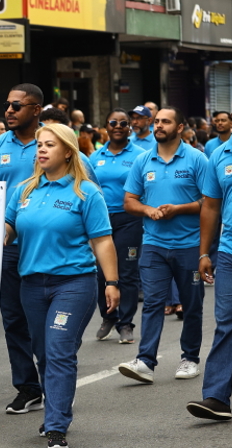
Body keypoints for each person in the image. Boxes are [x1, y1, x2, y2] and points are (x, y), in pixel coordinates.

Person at [4, 123, 119, 448]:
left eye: (49, 145)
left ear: (68, 151)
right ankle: (54, 411)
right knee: (43, 353)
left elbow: (102, 240)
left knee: (58, 350)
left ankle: (56, 426)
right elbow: (8, 227)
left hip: (74, 283)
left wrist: (111, 283)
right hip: (31, 284)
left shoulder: (86, 192)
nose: (41, 150)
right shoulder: (24, 191)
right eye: (39, 144)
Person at [118, 106, 208, 384]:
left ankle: (190, 358)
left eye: (165, 122)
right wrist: (147, 210)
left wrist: (178, 209)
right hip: (154, 244)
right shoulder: (143, 160)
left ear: (179, 127)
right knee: (154, 303)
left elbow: (210, 203)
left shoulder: (197, 159)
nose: (158, 126)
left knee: (191, 304)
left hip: (189, 245)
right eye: (156, 122)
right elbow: (129, 201)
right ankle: (145, 361)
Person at [0, 83, 47, 415]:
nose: (9, 110)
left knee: (45, 321)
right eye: (7, 105)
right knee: (14, 320)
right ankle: (28, 388)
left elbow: (85, 188)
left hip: (47, 248)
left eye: (17, 106)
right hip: (7, 249)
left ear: (36, 110)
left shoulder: (57, 143)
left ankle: (55, 382)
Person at [187, 91, 232, 420]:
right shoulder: (219, 155)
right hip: (231, 255)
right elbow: (210, 207)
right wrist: (204, 253)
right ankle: (215, 397)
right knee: (226, 326)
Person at [89, 109, 146, 344]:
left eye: (124, 123)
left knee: (127, 272)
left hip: (129, 220)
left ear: (130, 127)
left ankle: (126, 323)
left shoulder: (141, 155)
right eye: (113, 122)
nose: (118, 126)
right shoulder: (95, 157)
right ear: (106, 127)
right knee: (102, 272)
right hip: (101, 221)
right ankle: (108, 316)